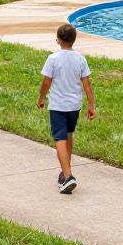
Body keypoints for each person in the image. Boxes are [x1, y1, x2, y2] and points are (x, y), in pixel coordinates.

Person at [37, 23, 95, 194]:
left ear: (58, 39)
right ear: (74, 40)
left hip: (57, 105)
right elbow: (87, 85)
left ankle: (68, 176)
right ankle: (65, 172)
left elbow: (46, 82)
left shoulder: (53, 59)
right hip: (74, 105)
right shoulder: (80, 59)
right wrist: (91, 106)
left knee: (59, 138)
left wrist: (40, 98)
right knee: (68, 135)